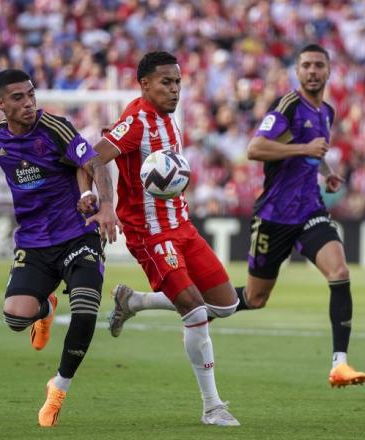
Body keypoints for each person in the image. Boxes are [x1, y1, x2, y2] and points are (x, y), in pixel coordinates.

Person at [0, 69, 122, 427]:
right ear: (0, 104)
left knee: (84, 310)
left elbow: (93, 161)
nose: (29, 103)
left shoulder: (55, 128)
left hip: (77, 234)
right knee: (15, 317)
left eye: (31, 94)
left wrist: (104, 204)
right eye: (18, 98)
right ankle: (45, 307)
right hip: (33, 243)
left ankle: (59, 387)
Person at [80, 51, 240, 426]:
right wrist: (105, 205)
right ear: (145, 84)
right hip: (150, 234)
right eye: (166, 82)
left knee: (226, 305)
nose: (174, 89)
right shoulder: (135, 121)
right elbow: (93, 158)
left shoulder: (169, 121)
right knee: (197, 312)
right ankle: (212, 406)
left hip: (182, 227)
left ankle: (132, 301)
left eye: (178, 82)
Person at [234, 44, 365, 388]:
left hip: (309, 209)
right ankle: (181, 305)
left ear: (328, 71)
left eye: (318, 65)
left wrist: (326, 170)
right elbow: (255, 148)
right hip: (274, 216)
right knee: (254, 299)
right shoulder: (288, 105)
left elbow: (313, 148)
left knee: (339, 271)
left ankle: (340, 365)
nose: (312, 71)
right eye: (306, 65)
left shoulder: (327, 111)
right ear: (297, 71)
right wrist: (304, 149)